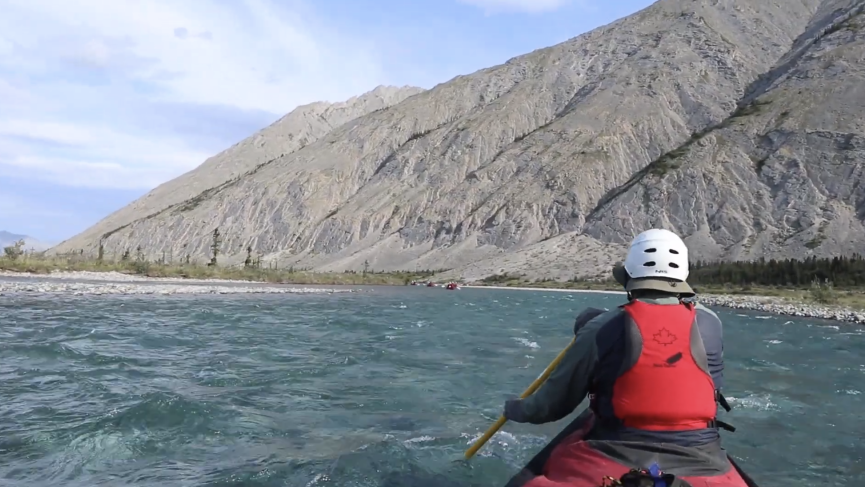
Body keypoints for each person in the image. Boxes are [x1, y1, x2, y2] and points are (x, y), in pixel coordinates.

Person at [502, 228, 749, 487]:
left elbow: (551, 407)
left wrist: (516, 408)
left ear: (629, 276)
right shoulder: (712, 322)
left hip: (619, 447)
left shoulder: (602, 327)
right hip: (703, 452)